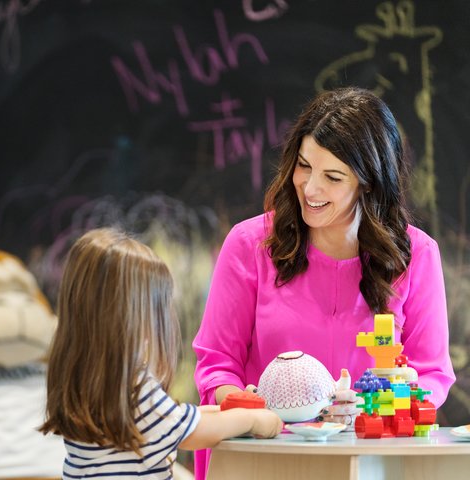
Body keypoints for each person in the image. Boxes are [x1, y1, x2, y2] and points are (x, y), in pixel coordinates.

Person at [192, 86, 456, 479]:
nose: (310, 188)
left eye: (332, 177)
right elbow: (217, 364)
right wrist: (240, 404)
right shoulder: (249, 246)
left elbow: (431, 374)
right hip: (266, 460)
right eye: (303, 166)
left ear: (369, 182)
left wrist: (383, 410)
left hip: (373, 463)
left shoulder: (417, 255)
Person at [41, 228, 283, 479]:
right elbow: (189, 432)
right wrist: (252, 421)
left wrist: (231, 411)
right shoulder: (132, 386)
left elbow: (174, 419)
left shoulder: (87, 377)